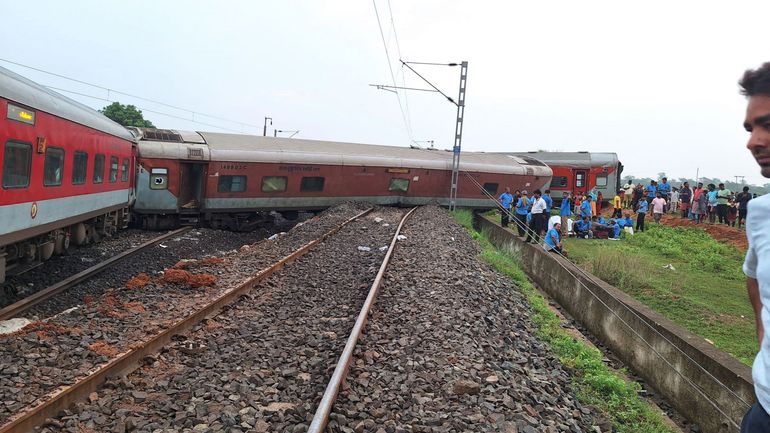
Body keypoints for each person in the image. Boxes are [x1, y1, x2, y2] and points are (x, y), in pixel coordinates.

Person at [738, 61, 770, 432]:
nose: (752, 142)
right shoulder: (760, 213)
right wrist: (763, 334)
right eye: (750, 128)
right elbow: (753, 275)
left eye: (769, 125)